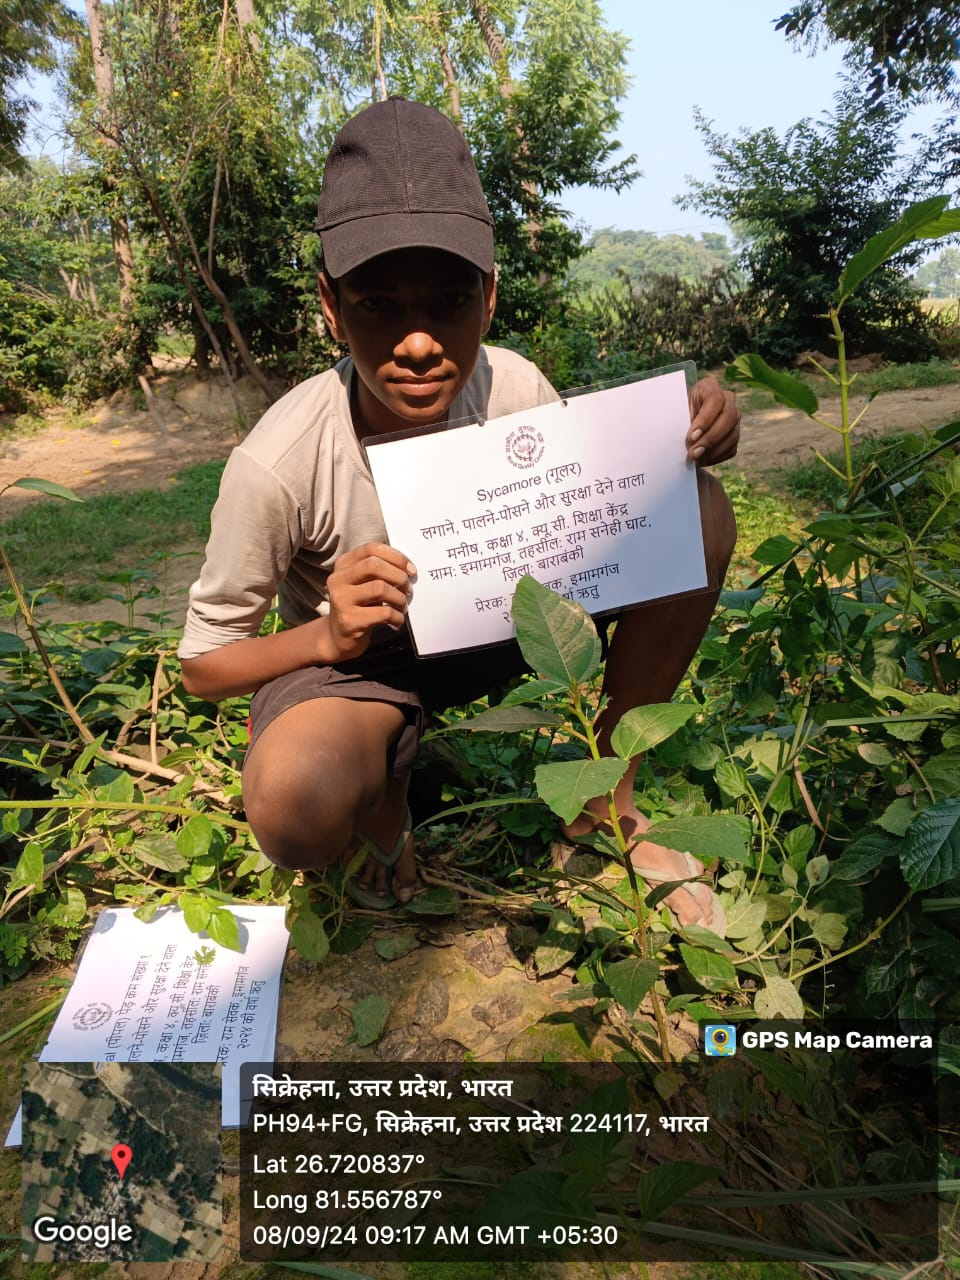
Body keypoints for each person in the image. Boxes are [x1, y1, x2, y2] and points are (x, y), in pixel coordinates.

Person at [178, 97, 739, 931]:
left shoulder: (514, 389)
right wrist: (328, 636)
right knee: (295, 809)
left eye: (446, 303)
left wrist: (682, 444)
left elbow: (592, 529)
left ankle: (603, 801)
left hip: (501, 631)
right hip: (362, 667)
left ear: (488, 298)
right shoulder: (281, 459)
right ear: (330, 306)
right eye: (377, 305)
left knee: (692, 509)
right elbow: (203, 667)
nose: (415, 342)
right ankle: (383, 794)